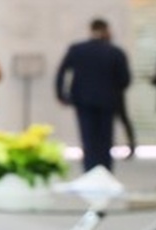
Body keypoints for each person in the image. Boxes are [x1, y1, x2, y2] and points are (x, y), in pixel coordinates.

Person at [55, 18, 131, 172]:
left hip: (83, 101)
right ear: (106, 30)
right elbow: (124, 80)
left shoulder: (77, 49)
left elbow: (62, 72)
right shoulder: (115, 52)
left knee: (88, 139)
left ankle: (90, 170)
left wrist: (62, 95)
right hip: (107, 101)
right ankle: (104, 171)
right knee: (105, 139)